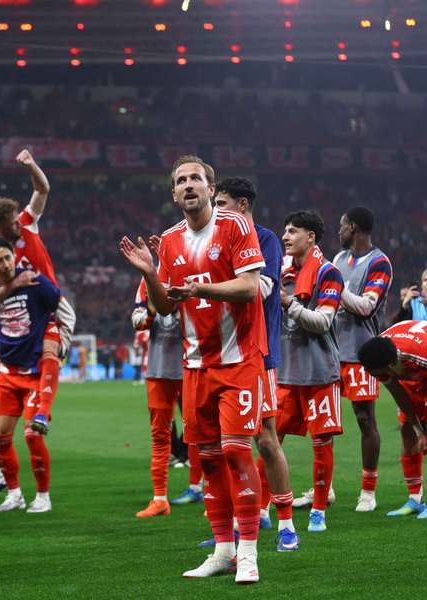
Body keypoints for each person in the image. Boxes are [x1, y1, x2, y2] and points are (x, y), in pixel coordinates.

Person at [120, 155, 266, 584]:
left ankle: (249, 552)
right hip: (196, 364)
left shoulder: (235, 225)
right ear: (173, 193)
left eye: (196, 179)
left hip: (239, 359)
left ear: (209, 186)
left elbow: (249, 287)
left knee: (238, 450)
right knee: (209, 459)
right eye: (180, 180)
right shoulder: (167, 241)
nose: (188, 185)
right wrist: (150, 274)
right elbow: (165, 307)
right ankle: (222, 549)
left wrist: (199, 286)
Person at [214, 178, 294, 545]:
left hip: (257, 353)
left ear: (242, 205)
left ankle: (286, 524)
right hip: (218, 356)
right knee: (228, 446)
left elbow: (261, 289)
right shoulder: (209, 240)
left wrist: (212, 284)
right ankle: (237, 526)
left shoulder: (265, 240)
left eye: (223, 203)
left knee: (265, 439)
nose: (216, 211)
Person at [0, 239, 60, 517]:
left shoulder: (34, 281)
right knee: (0, 435)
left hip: (34, 371)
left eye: (8, 257)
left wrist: (53, 337)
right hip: (8, 372)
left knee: (32, 435)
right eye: (0, 261)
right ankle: (15, 494)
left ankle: (43, 496)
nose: (6, 264)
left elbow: (55, 302)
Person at [276, 210, 344, 538]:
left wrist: (288, 303)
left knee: (321, 443)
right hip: (285, 373)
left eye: (292, 232)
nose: (285, 237)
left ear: (311, 237)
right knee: (269, 441)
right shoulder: (280, 271)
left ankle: (318, 510)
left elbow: (323, 323)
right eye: (284, 232)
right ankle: (262, 508)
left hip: (319, 372)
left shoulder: (328, 273)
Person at [358, 320, 427, 520]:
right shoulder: (379, 358)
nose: (370, 375)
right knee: (407, 430)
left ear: (387, 366)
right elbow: (398, 393)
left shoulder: (420, 356)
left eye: (373, 372)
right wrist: (416, 428)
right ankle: (415, 499)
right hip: (410, 369)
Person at [328, 207, 393, 513]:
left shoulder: (379, 263)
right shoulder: (339, 259)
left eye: (341, 225)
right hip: (330, 349)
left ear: (352, 227)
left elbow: (367, 306)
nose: (338, 231)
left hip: (361, 352)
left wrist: (334, 287)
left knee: (365, 418)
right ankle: (322, 487)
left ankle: (368, 491)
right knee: (324, 420)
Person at [131, 277, 203, 518]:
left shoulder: (192, 271)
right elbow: (137, 322)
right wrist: (152, 308)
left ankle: (200, 488)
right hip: (160, 367)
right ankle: (160, 498)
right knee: (160, 434)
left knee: (200, 430)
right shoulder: (148, 280)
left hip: (193, 363)